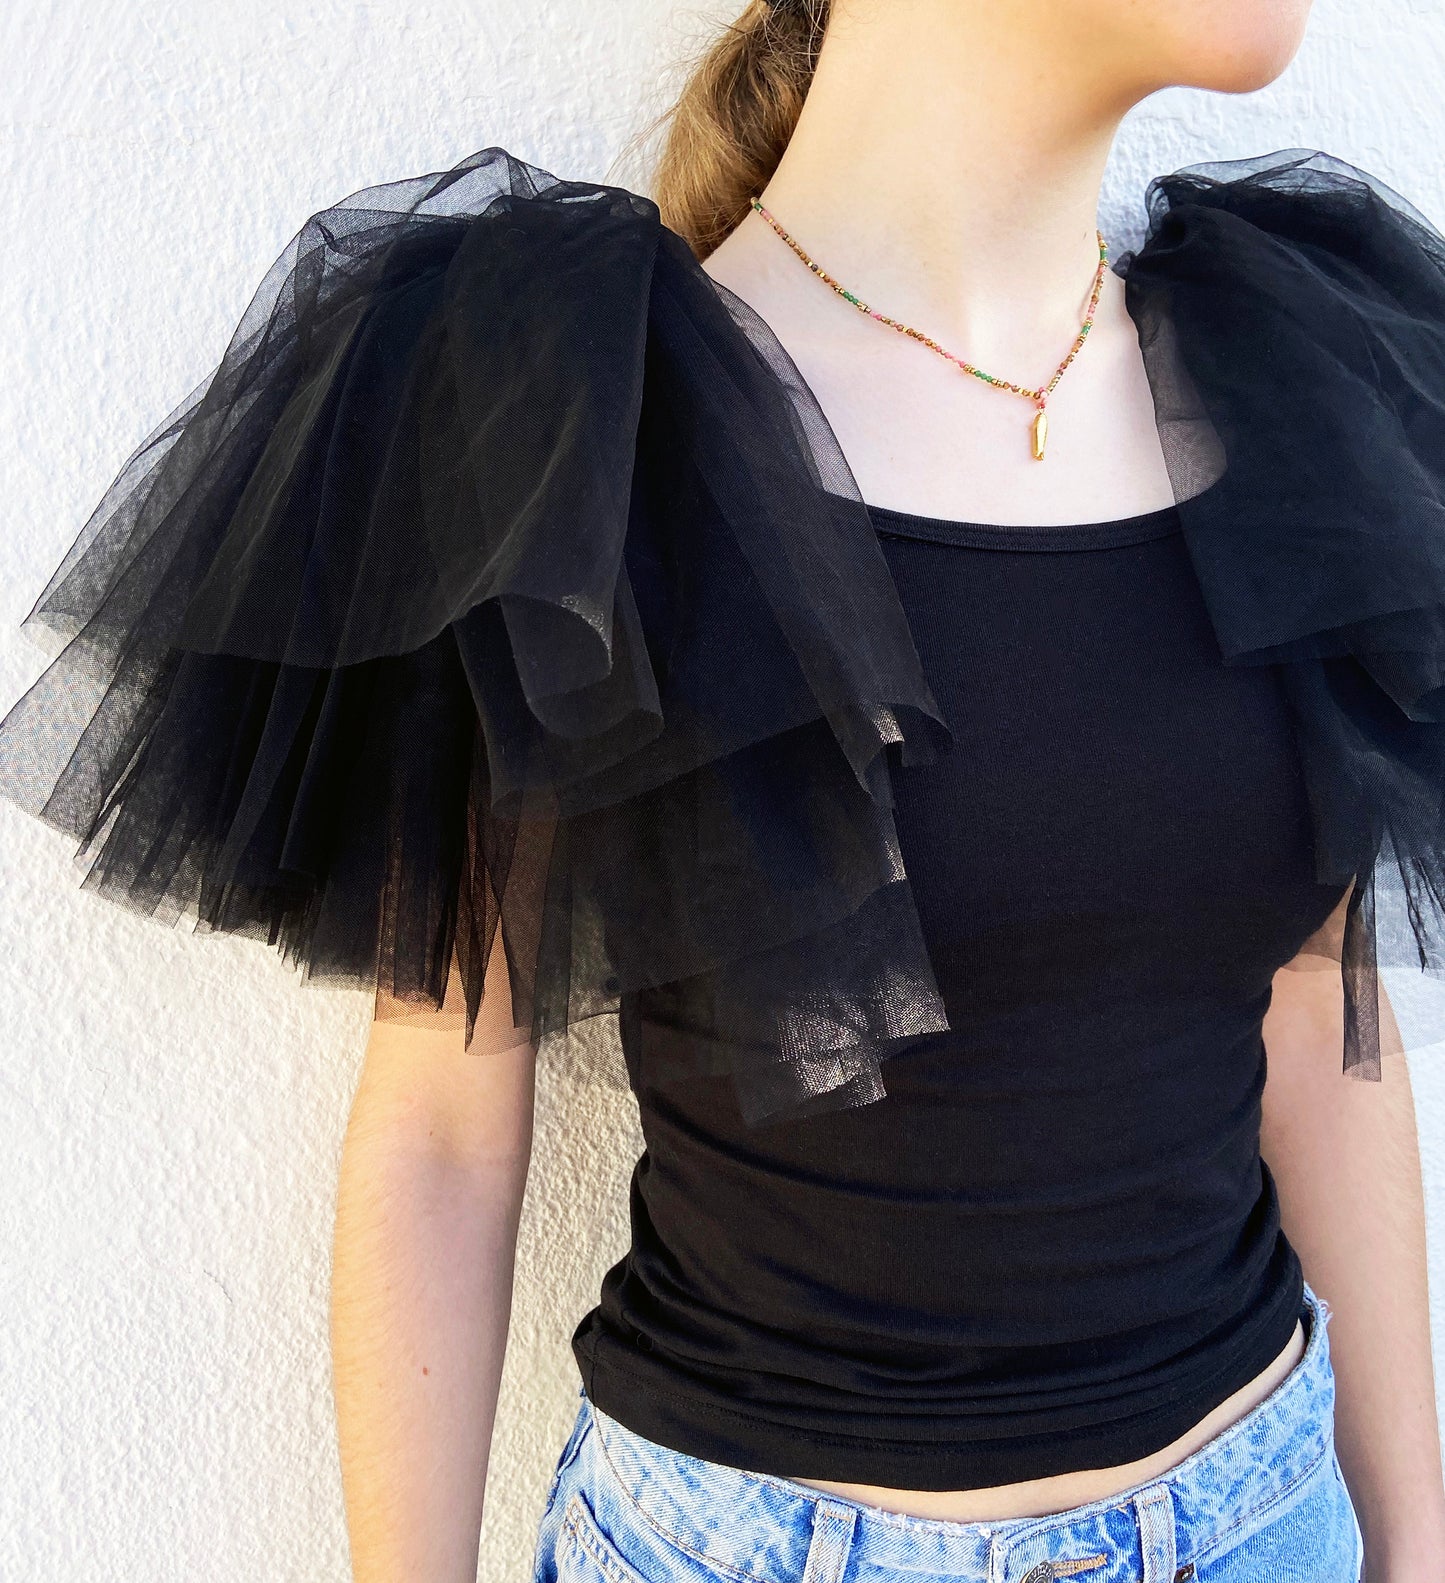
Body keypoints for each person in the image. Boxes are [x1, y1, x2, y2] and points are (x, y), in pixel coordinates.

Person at [3, 0, 1445, 1578]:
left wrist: (1414, 1538)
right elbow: (440, 1119)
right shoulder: (577, 417)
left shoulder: (1306, 377)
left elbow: (1321, 1024)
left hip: (1262, 1515)